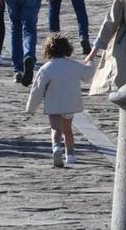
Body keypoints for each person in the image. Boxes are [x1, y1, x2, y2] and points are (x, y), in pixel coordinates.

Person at [26, 34, 94, 167]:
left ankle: (56, 147)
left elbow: (37, 90)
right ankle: (71, 155)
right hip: (70, 104)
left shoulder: (46, 69)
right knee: (68, 130)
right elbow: (88, 75)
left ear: (48, 50)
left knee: (56, 129)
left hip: (54, 104)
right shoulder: (74, 66)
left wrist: (31, 108)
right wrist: (90, 61)